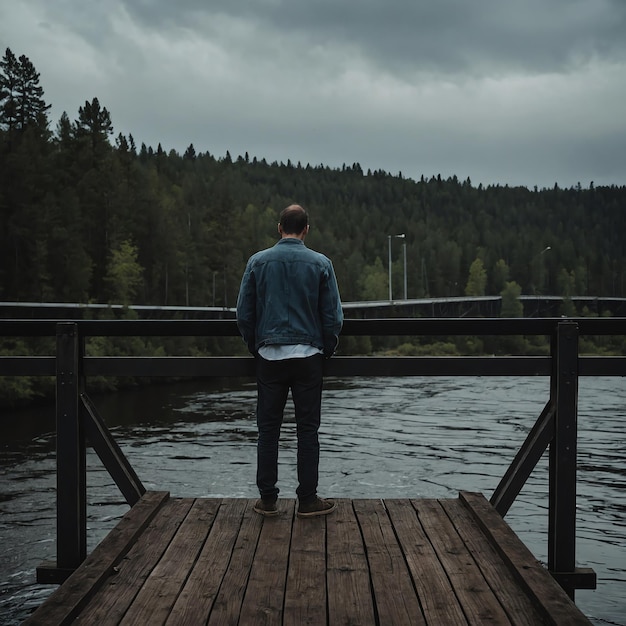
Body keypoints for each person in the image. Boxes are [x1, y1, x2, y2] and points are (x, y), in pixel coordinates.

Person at [236, 204, 343, 518]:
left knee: (267, 430)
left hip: (269, 357)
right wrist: (328, 349)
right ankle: (307, 500)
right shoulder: (321, 263)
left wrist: (255, 346)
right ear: (306, 229)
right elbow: (332, 317)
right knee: (307, 431)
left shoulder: (257, 262)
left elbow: (244, 314)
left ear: (279, 228)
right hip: (309, 357)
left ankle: (268, 499)